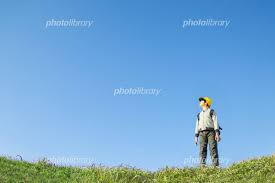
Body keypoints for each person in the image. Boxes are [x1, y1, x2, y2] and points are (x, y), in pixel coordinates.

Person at [194, 97, 221, 167]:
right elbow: (197, 125)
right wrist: (196, 136)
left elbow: (215, 122)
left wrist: (217, 133)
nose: (200, 102)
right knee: (202, 149)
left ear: (206, 103)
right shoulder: (199, 114)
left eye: (201, 101)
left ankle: (215, 165)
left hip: (211, 132)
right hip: (201, 133)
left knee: (213, 148)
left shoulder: (211, 111)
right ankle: (202, 165)